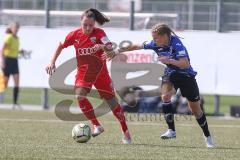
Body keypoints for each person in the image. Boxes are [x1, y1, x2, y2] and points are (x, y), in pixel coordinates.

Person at [103, 23, 215, 148]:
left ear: (164, 36)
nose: (154, 40)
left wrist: (169, 61)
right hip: (171, 74)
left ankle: (207, 136)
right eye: (153, 38)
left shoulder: (176, 44)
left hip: (186, 76)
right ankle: (171, 130)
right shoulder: (155, 44)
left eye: (156, 38)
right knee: (165, 96)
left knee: (195, 109)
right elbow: (136, 46)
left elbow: (185, 64)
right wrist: (116, 51)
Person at [45, 8, 131, 144]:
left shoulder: (100, 33)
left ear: (94, 24)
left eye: (91, 25)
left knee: (112, 103)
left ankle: (125, 131)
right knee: (79, 96)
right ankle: (97, 125)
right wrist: (52, 61)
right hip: (83, 73)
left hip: (100, 74)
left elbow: (110, 48)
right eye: (85, 24)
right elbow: (60, 45)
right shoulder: (74, 35)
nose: (88, 28)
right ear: (81, 22)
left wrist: (101, 47)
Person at [0, 22, 21, 109]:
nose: (16, 29)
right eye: (15, 28)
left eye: (17, 28)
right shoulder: (9, 37)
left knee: (17, 82)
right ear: (11, 28)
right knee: (4, 83)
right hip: (7, 60)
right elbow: (2, 50)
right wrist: (2, 61)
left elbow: (15, 50)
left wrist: (20, 51)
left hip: (14, 61)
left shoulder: (17, 39)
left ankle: (15, 103)